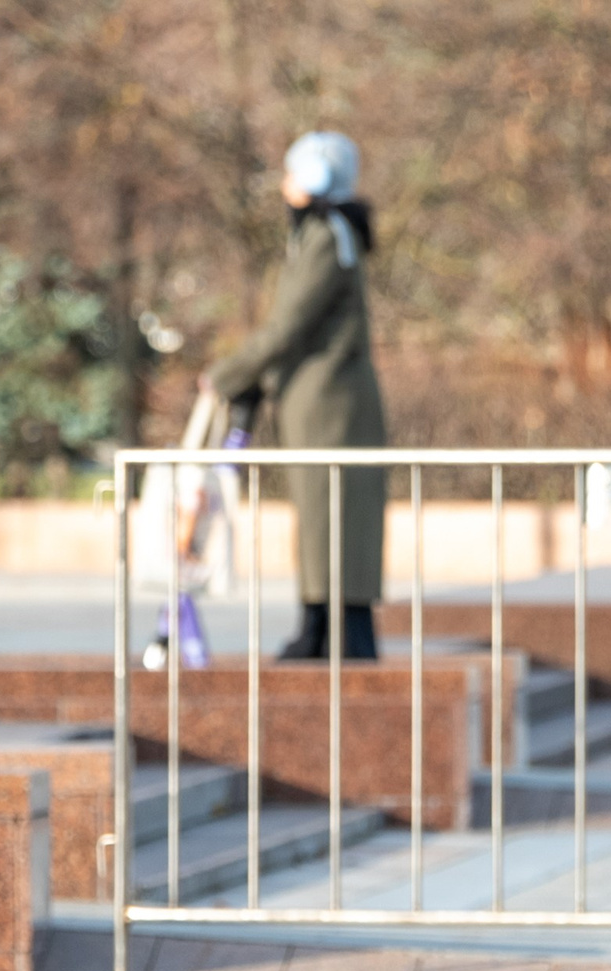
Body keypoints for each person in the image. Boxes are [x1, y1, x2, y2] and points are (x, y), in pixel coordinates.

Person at [205, 131, 386, 661]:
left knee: (333, 518)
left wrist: (226, 374)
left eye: (291, 173)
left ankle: (336, 634)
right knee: (321, 517)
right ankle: (321, 627)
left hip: (330, 403)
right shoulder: (319, 235)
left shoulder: (326, 237)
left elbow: (288, 326)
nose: (284, 185)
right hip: (319, 401)